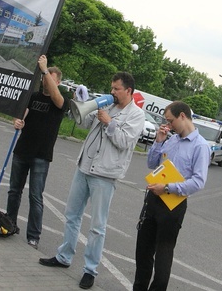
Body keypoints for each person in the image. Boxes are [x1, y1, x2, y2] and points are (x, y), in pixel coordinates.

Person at [40, 72, 145, 289]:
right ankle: (64, 257)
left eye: (116, 89)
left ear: (128, 91)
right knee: (71, 215)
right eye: (112, 87)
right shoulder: (108, 104)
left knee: (97, 226)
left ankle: (90, 270)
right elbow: (84, 123)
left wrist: (109, 123)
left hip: (105, 175)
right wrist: (82, 102)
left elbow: (125, 142)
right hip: (84, 167)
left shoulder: (136, 115)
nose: (112, 92)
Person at [133, 101, 210, 291]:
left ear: (183, 116)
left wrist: (167, 187)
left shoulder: (200, 146)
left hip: (173, 205)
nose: (169, 125)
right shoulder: (172, 139)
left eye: (171, 120)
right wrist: (159, 140)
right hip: (153, 199)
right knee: (143, 251)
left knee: (163, 257)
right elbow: (152, 164)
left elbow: (198, 182)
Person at [5, 55, 68, 249]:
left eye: (49, 77)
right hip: (22, 150)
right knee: (14, 190)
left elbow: (57, 100)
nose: (44, 80)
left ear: (57, 82)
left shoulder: (61, 101)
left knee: (35, 195)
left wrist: (44, 70)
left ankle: (33, 236)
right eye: (43, 77)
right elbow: (21, 115)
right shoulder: (33, 97)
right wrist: (17, 122)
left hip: (41, 155)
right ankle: (10, 223)